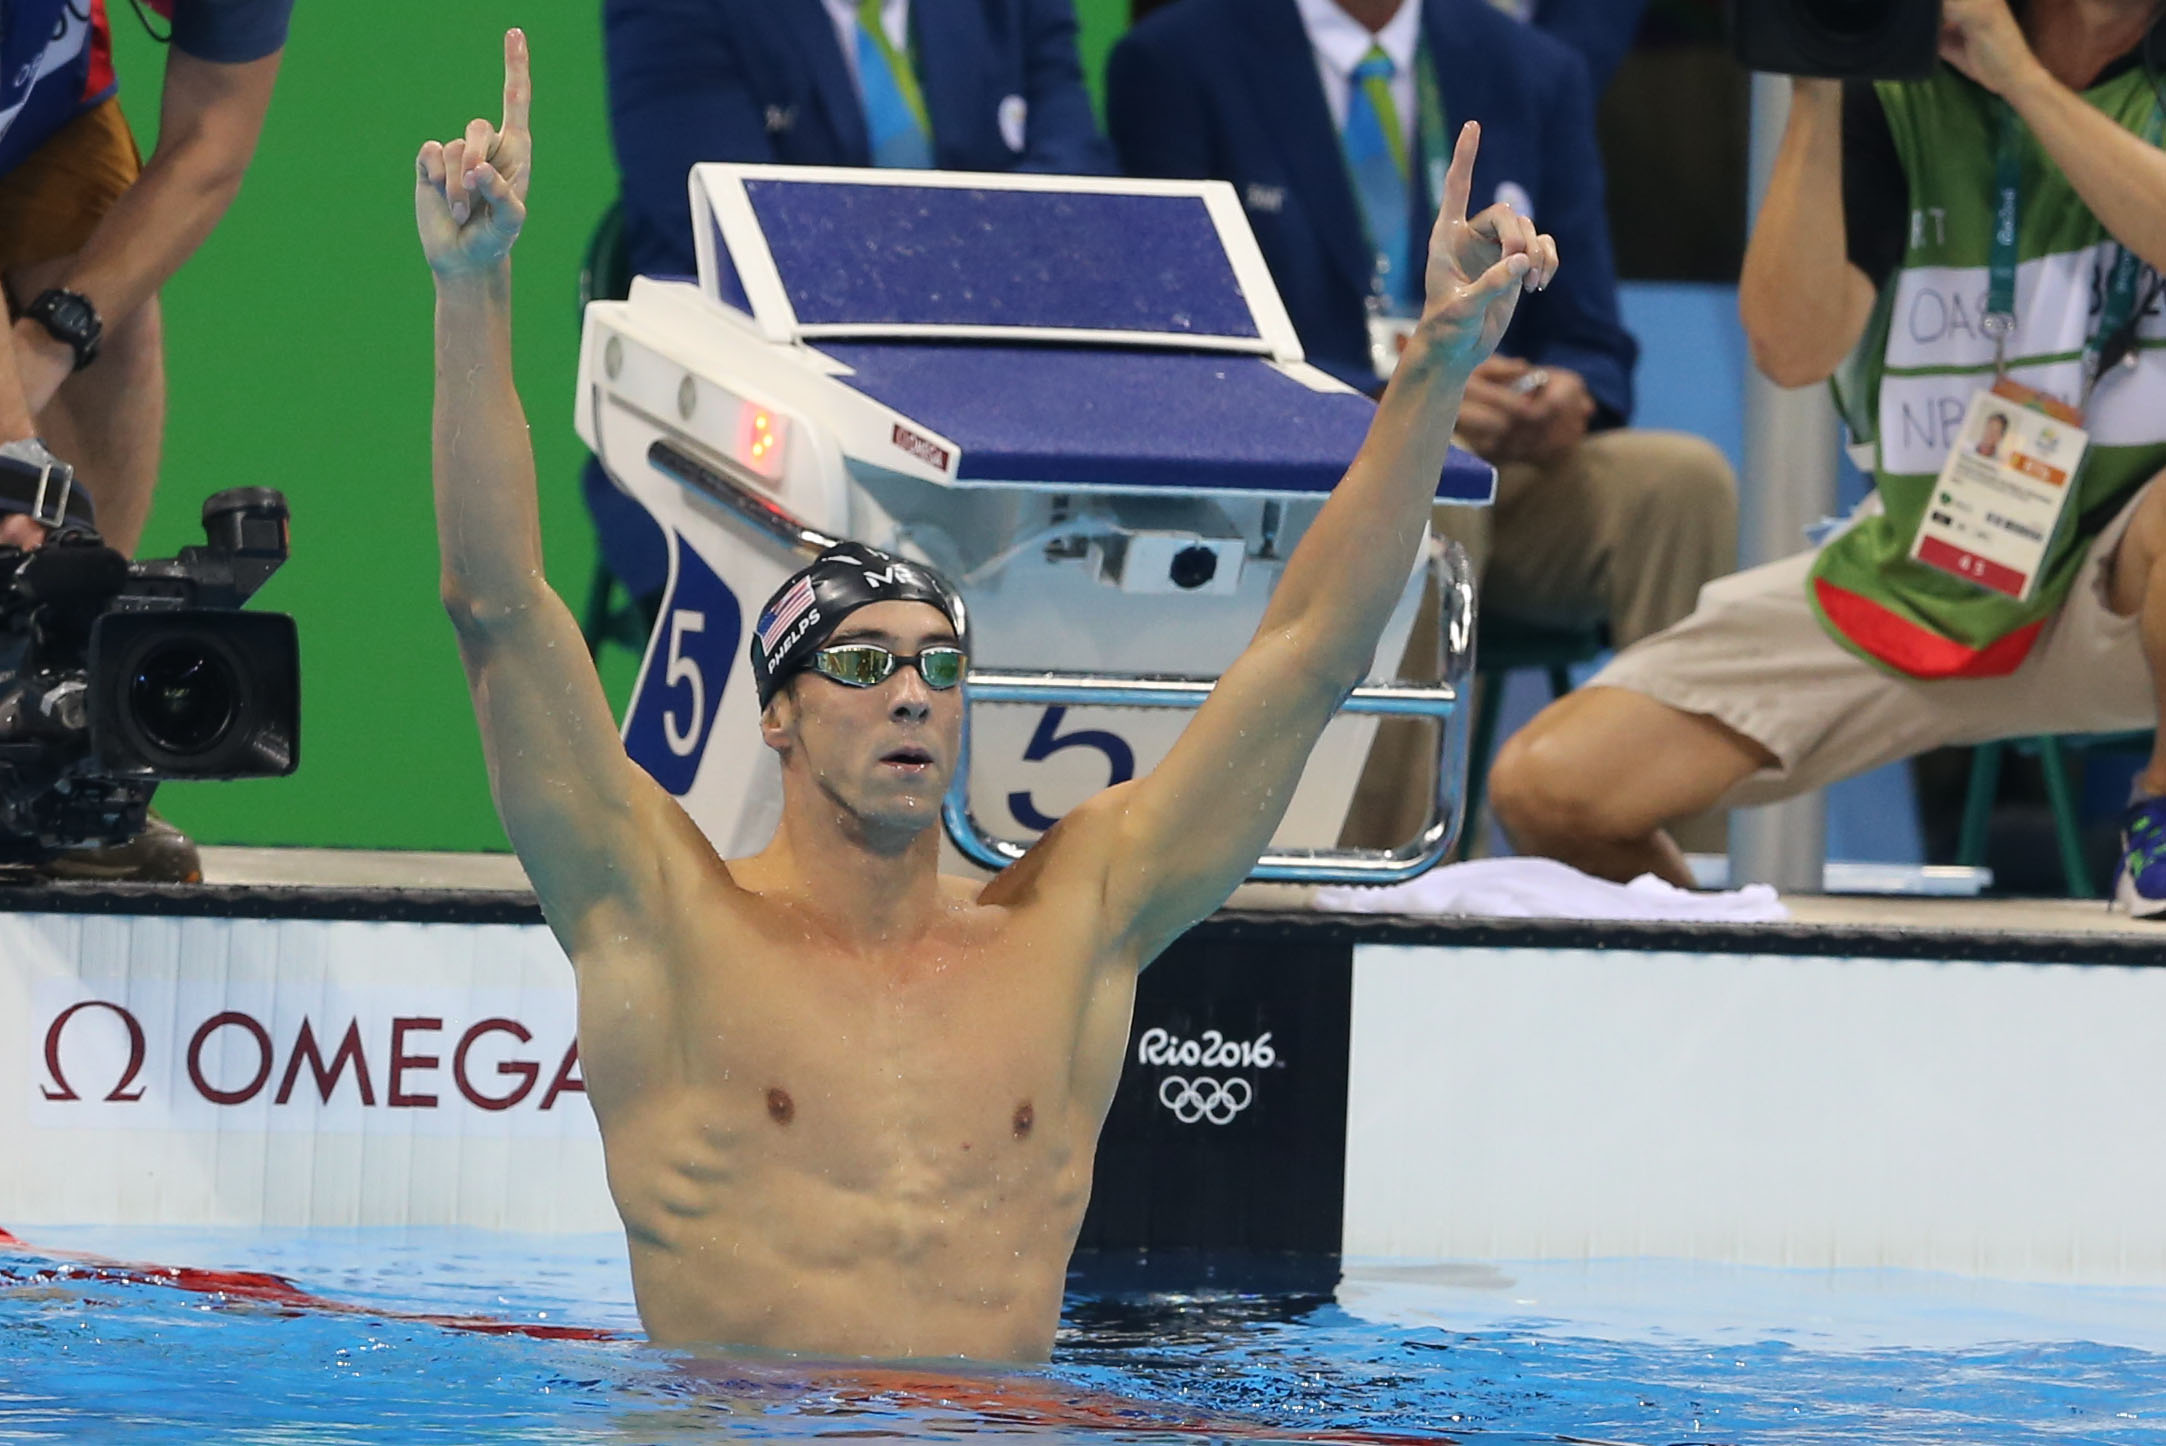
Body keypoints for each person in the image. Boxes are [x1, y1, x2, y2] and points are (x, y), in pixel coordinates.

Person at [420, 31, 1555, 1356]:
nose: (910, 696)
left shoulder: (1070, 923)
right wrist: (471, 291)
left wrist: (1432, 368)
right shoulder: (659, 919)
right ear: (775, 716)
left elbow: (1305, 652)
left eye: (939, 666)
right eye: (860, 665)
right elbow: (496, 610)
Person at [1489, 0, 2166, 914]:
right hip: (1926, 562)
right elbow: (1792, 348)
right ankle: (1724, 1002)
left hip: (2129, 583)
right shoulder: (1900, 75)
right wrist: (1820, 74)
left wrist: (2026, 85)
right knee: (1552, 786)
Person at [1106, 0, 1735, 850]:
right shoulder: (1178, 58)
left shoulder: (1530, 68)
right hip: (1307, 472)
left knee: (1680, 482)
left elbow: (1593, 339)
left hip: (1506, 458)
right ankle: (1394, 875)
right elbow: (1184, 334)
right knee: (1437, 471)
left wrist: (1561, 391)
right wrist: (1398, 393)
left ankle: (1674, 880)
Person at [588, 0, 1116, 619]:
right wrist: (991, 248)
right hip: (747, 452)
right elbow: (740, 241)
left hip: (1003, 432)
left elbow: (1079, 200)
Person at [0, 0, 291, 881]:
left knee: (112, 318)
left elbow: (212, 144)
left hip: (45, 99)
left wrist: (58, 335)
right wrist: (17, 460)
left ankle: (63, 743)